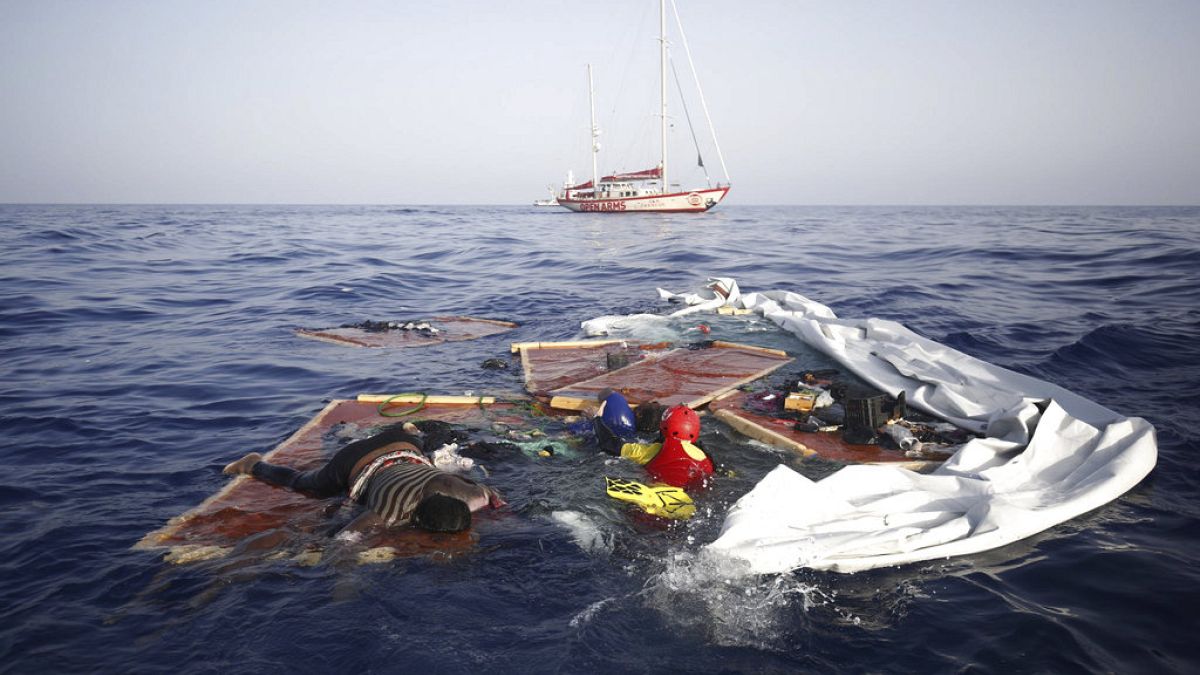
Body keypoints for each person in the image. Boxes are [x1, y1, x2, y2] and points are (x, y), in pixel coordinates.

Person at [222, 422, 503, 533]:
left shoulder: (475, 494)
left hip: (404, 442)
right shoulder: (390, 512)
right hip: (354, 461)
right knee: (303, 484)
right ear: (414, 518)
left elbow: (494, 497)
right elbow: (346, 539)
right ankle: (254, 465)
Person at [603, 404, 715, 489]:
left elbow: (610, 445)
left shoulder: (653, 450)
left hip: (655, 493)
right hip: (687, 499)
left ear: (664, 428)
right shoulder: (706, 460)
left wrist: (597, 419)